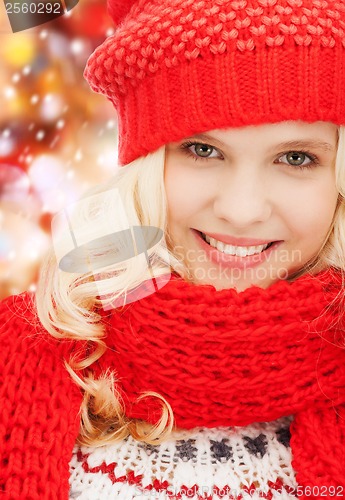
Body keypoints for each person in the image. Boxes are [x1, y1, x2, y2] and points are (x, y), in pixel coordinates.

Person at [1, 0, 345, 498]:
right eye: (202, 150)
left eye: (296, 157)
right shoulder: (25, 348)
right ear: (143, 168)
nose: (241, 210)